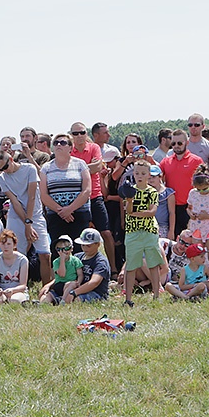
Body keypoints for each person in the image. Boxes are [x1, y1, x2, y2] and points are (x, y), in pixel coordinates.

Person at [0, 150, 53, 283]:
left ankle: (47, 288)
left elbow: (31, 197)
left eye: (5, 167)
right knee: (16, 255)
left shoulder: (29, 169)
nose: (4, 171)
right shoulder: (2, 178)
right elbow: (15, 202)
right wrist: (26, 223)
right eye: (0, 170)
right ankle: (17, 286)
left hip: (35, 215)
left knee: (45, 254)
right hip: (16, 216)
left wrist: (29, 222)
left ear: (11, 160)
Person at [70, 122, 116, 275]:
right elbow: (91, 167)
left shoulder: (94, 148)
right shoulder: (69, 150)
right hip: (78, 198)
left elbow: (98, 167)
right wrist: (88, 167)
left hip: (95, 196)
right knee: (79, 236)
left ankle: (113, 269)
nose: (79, 136)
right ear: (71, 135)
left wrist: (77, 168)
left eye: (82, 132)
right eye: (75, 133)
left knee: (106, 233)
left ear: (86, 133)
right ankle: (80, 270)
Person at [122, 160, 166, 306]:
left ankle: (156, 295)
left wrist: (135, 213)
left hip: (149, 231)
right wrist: (129, 201)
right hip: (132, 232)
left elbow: (151, 212)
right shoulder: (129, 190)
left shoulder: (152, 191)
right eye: (137, 173)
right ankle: (128, 299)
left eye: (143, 173)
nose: (139, 176)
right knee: (131, 266)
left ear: (148, 175)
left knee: (153, 264)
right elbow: (128, 210)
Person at [160, 129, 203, 238]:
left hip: (190, 207)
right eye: (173, 143)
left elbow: (204, 184)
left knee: (192, 239)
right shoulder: (166, 161)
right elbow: (155, 177)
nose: (176, 146)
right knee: (173, 240)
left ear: (187, 143)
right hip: (170, 208)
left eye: (180, 143)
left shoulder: (196, 161)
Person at [62, 228, 110, 304]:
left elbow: (94, 282)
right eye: (83, 245)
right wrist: (49, 285)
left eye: (88, 246)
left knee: (77, 300)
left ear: (98, 244)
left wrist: (74, 293)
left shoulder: (101, 261)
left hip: (96, 293)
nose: (85, 248)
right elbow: (66, 274)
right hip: (76, 289)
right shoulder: (77, 257)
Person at [0, 230, 29, 305]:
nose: (6, 246)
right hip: (2, 291)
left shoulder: (22, 260)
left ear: (14, 245)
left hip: (18, 291)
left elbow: (23, 285)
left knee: (14, 301)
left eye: (9, 244)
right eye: (3, 244)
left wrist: (12, 290)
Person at [39, 235, 83, 305]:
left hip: (70, 285)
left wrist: (79, 283)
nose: (63, 252)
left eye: (66, 248)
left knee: (71, 284)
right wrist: (62, 260)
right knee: (46, 295)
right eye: (59, 249)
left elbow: (80, 274)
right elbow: (62, 274)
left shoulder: (75, 260)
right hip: (59, 285)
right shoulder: (56, 262)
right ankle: (41, 303)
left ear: (71, 249)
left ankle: (63, 300)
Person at [186, 113, 209, 191]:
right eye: (190, 125)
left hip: (203, 191)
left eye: (196, 125)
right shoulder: (182, 145)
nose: (193, 127)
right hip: (185, 190)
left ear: (203, 126)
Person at [149, 165, 176, 240]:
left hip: (163, 227)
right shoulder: (145, 192)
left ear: (160, 177)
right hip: (148, 226)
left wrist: (171, 231)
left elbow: (172, 213)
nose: (151, 180)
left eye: (153, 177)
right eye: (149, 178)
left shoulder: (168, 193)